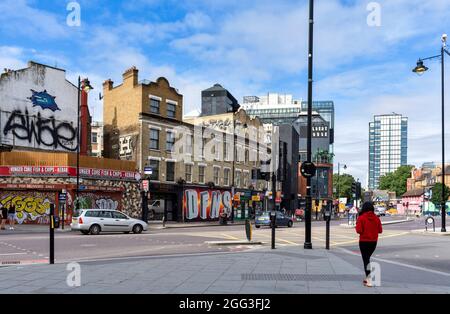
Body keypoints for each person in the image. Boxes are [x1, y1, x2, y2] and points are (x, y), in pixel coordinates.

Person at [356, 202, 383, 287]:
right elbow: (380, 230)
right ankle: (367, 278)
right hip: (373, 242)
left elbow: (359, 231)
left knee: (366, 260)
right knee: (367, 259)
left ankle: (369, 279)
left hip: (364, 241)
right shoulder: (376, 218)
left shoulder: (361, 217)